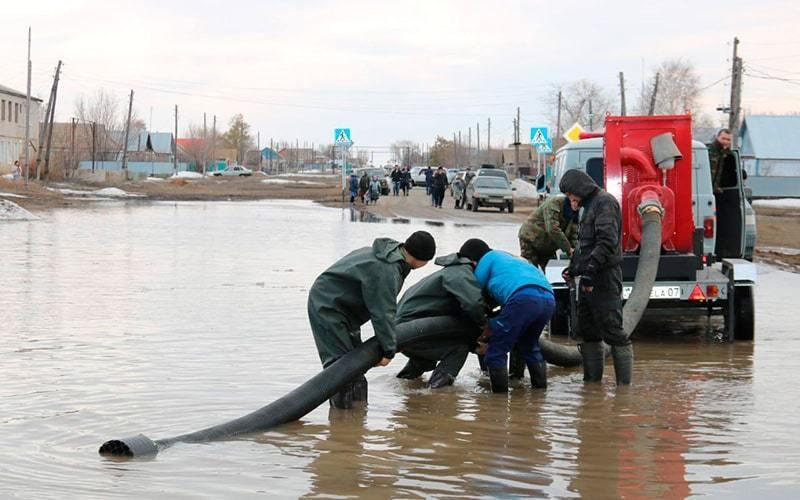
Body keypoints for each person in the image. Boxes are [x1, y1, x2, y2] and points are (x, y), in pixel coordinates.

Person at [308, 231, 437, 409]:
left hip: (344, 310)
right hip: (328, 306)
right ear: (423, 260)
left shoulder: (388, 257)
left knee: (355, 371)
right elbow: (384, 312)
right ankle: (344, 425)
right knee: (340, 372)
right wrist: (388, 351)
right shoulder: (386, 269)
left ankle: (356, 420)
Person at [558, 169, 631, 385]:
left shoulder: (604, 202)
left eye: (571, 193)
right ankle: (591, 385)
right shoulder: (588, 206)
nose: (570, 199)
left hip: (604, 277)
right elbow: (585, 247)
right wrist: (574, 269)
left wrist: (589, 275)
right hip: (589, 277)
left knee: (613, 330)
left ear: (579, 189)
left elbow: (606, 243)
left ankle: (623, 390)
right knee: (588, 330)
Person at [458, 238, 554, 393]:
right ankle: (540, 394)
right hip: (548, 298)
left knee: (496, 351)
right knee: (529, 347)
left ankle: (499, 402)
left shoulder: (486, 261)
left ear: (472, 261)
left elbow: (475, 294)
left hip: (523, 298)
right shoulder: (509, 258)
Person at [395, 250, 488, 388]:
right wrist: (486, 329)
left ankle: (401, 384)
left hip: (404, 330)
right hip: (411, 328)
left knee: (425, 360)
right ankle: (438, 392)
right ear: (476, 263)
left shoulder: (449, 272)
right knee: (459, 348)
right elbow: (474, 307)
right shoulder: (460, 273)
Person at [518, 194, 579, 270]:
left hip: (549, 245)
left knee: (552, 270)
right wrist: (568, 248)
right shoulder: (554, 203)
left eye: (578, 202)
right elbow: (552, 229)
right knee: (531, 270)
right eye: (574, 200)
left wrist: (575, 251)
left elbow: (573, 235)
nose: (576, 204)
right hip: (531, 239)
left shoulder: (575, 213)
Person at [708, 128, 732, 196]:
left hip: (714, 192)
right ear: (717, 137)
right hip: (705, 190)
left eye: (728, 140)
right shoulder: (709, 150)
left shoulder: (726, 154)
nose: (726, 141)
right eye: (723, 138)